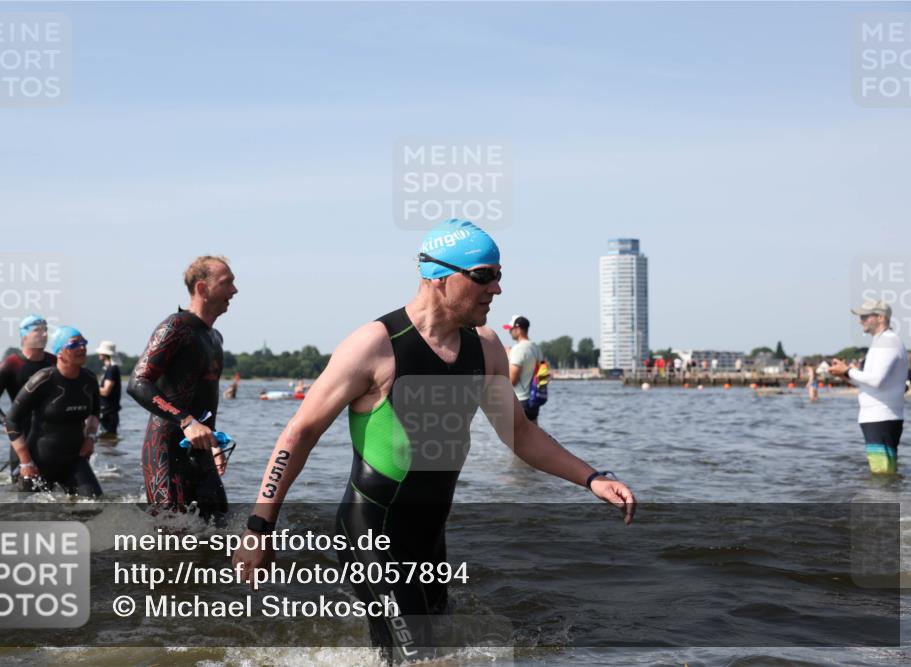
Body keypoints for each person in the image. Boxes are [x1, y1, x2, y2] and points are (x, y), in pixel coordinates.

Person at [231, 219, 636, 664]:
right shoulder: (375, 346)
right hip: (372, 529)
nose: (496, 288)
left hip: (430, 534)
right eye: (484, 275)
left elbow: (518, 432)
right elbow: (300, 433)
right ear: (438, 277)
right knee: (420, 657)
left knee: (424, 648)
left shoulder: (485, 347)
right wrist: (258, 527)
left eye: (499, 275)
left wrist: (593, 479)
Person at [127, 255, 238, 523]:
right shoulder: (175, 327)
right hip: (165, 450)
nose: (234, 291)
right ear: (202, 288)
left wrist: (212, 444)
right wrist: (185, 421)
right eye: (227, 283)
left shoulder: (214, 337)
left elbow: (205, 398)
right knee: (171, 540)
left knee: (219, 527)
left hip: (200, 448)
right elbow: (138, 382)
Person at [5, 326, 102, 497]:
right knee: (27, 516)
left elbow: (95, 413)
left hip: (74, 461)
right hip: (39, 463)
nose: (82, 347)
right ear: (59, 352)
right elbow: (11, 420)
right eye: (74, 344)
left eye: (83, 343)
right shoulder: (43, 379)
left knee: (96, 505)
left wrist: (91, 437)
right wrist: (25, 461)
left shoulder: (89, 379)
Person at [829, 299, 909, 474]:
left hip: (882, 416)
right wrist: (844, 374)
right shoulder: (881, 342)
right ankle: (887, 499)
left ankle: (886, 500)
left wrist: (848, 370)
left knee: (882, 474)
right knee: (882, 472)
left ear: (880, 317)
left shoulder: (888, 341)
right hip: (877, 416)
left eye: (865, 316)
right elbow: (870, 381)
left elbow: (876, 380)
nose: (860, 321)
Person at [0, 314, 57, 481]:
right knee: (23, 492)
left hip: (51, 435)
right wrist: (5, 422)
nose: (44, 334)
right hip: (21, 436)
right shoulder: (10, 364)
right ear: (24, 335)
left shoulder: (55, 362)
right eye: (38, 330)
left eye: (46, 330)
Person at [502, 315, 544, 423]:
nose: (510, 332)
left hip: (520, 401)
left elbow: (512, 380)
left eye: (511, 329)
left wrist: (507, 358)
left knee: (516, 438)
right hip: (533, 400)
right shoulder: (535, 347)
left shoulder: (518, 349)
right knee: (534, 435)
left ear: (518, 329)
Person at [94, 340, 121, 439]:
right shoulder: (109, 369)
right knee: (107, 440)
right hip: (107, 412)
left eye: (101, 351)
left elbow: (106, 391)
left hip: (108, 413)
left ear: (105, 354)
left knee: (106, 440)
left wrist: (91, 387)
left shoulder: (112, 369)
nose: (99, 353)